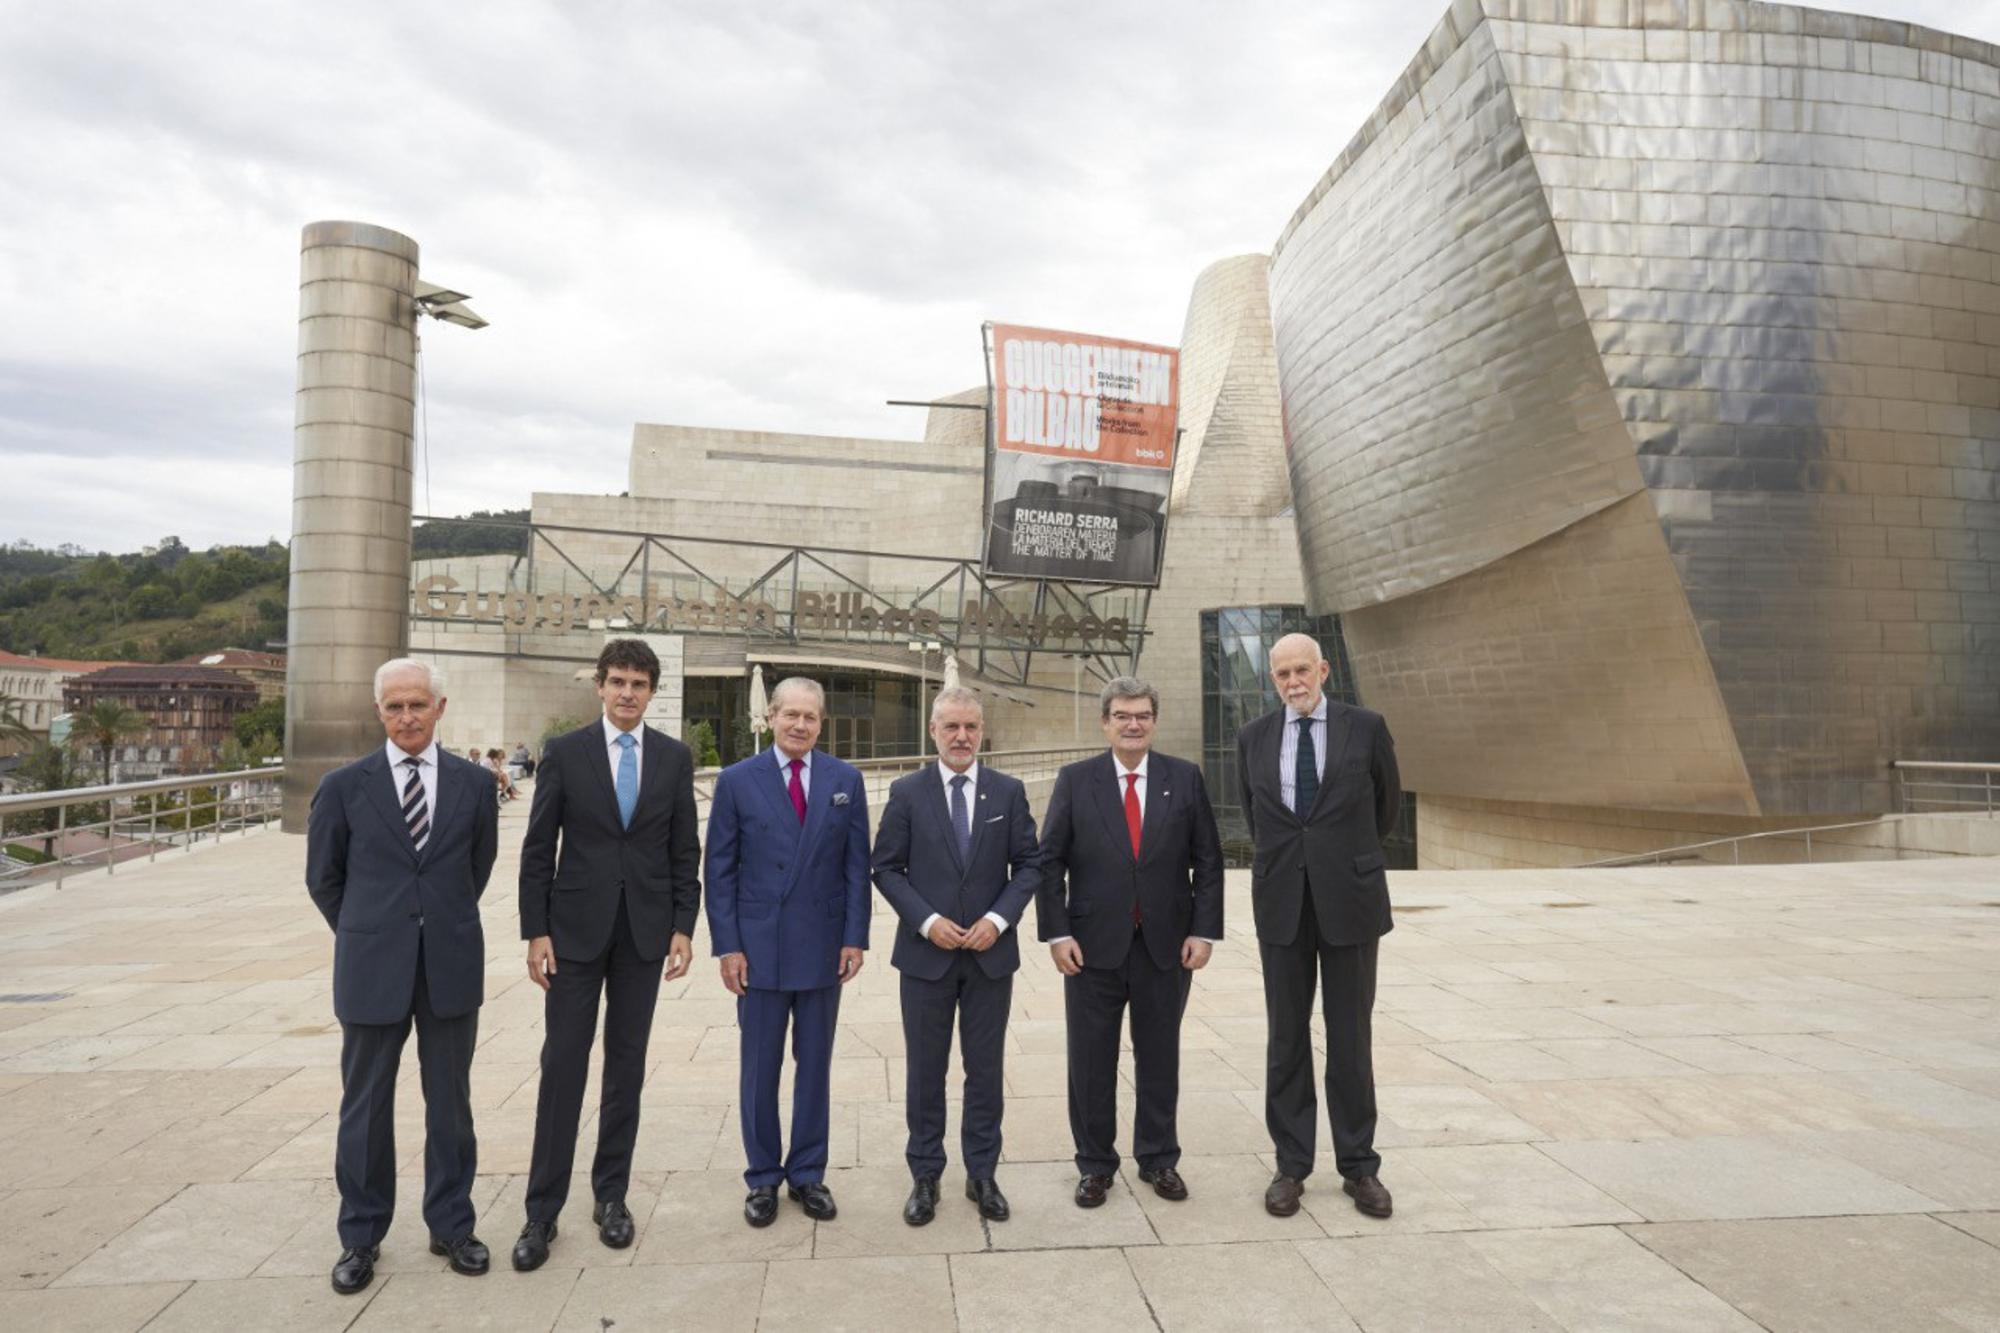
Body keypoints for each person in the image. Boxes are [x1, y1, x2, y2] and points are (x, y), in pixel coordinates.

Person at [306, 658, 498, 1295]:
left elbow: (478, 867)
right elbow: (324, 879)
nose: (407, 717)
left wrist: (431, 923)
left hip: (449, 964)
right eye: (395, 707)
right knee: (363, 1109)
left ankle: (451, 1225)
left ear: (440, 708)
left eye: (418, 705)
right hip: (371, 969)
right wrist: (371, 931)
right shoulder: (343, 786)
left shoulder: (474, 784)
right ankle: (360, 1237)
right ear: (379, 711)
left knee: (451, 1106)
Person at [511, 639, 701, 1270]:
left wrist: (683, 924)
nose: (627, 693)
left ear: (652, 693)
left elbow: (683, 851)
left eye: (638, 684)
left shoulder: (675, 759)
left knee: (626, 1067)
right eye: (617, 681)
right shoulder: (565, 753)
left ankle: (611, 1197)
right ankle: (542, 1212)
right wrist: (534, 930)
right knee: (563, 1065)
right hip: (573, 934)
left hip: (644, 936)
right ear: (599, 686)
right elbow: (538, 847)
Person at [1037, 676, 1222, 1208]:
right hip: (1091, 948)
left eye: (1142, 715)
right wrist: (1058, 933)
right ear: (1106, 723)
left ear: (1154, 721)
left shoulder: (1184, 779)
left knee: (1159, 1057)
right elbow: (1050, 861)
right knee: (1091, 1061)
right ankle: (1095, 1165)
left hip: (1167, 946)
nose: (1133, 724)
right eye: (1122, 715)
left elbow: (1208, 862)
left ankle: (1159, 1159)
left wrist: (1203, 930)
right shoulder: (1076, 780)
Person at [1235, 632, 1401, 1220]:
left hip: (1349, 902)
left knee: (1351, 1036)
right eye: (1282, 674)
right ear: (1273, 679)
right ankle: (1290, 1165)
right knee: (1286, 1038)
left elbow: (1385, 809)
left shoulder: (1366, 727)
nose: (1293, 682)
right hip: (1282, 903)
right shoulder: (1253, 737)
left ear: (1324, 670)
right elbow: (1260, 818)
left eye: (1302, 670)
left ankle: (1359, 1168)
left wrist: (1337, 860)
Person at [870, 686, 1040, 1226]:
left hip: (990, 958)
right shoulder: (907, 792)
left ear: (981, 730)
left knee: (984, 1071)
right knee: (926, 1070)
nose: (962, 736)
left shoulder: (1007, 793)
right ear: (933, 731)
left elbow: (1030, 865)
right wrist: (926, 921)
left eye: (970, 727)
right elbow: (886, 868)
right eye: (951, 728)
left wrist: (996, 920)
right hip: (926, 959)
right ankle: (925, 1175)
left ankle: (982, 1173)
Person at [706, 676, 870, 1227]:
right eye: (790, 714)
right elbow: (719, 871)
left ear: (821, 723)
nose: (800, 725)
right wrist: (727, 946)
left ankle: (807, 1173)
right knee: (759, 1069)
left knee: (815, 1066)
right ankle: (762, 1179)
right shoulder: (736, 781)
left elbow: (856, 868)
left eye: (811, 717)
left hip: (823, 949)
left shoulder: (845, 779)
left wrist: (855, 937)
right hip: (759, 949)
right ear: (771, 717)